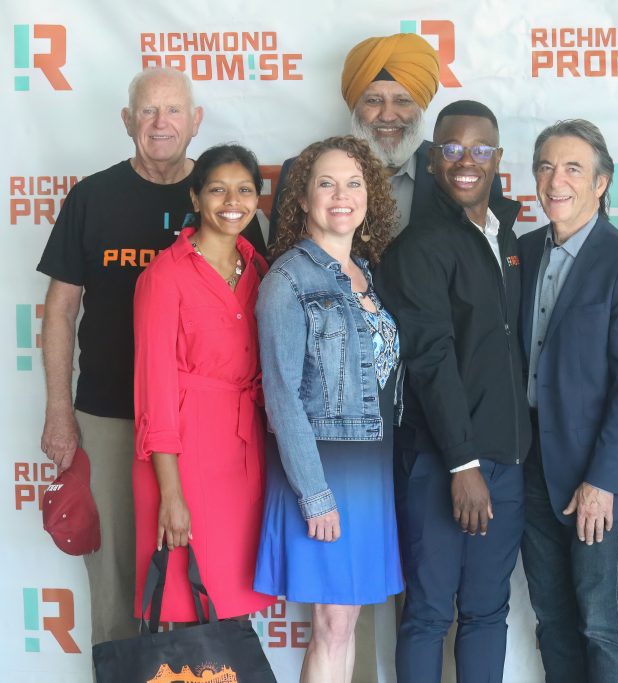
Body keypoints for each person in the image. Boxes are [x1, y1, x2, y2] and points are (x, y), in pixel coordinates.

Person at [35, 67, 265, 647]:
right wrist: (59, 411)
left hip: (208, 433)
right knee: (119, 583)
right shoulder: (92, 197)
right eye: (148, 111)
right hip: (111, 414)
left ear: (196, 120)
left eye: (173, 110)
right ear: (127, 120)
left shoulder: (226, 201)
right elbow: (60, 311)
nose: (161, 123)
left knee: (211, 583)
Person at [375, 100, 530, 683]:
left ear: (498, 158)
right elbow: (430, 359)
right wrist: (462, 465)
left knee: (488, 612)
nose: (467, 161)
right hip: (443, 461)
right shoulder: (420, 246)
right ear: (433, 160)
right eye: (453, 149)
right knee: (429, 613)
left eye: (480, 149)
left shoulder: (505, 237)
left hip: (507, 459)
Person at [254, 136, 403, 683]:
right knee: (333, 624)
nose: (342, 196)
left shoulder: (366, 271)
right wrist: (315, 495)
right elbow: (282, 399)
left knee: (347, 619)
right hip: (321, 469)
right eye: (326, 183)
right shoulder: (287, 280)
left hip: (369, 467)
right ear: (302, 198)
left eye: (354, 183)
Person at [518, 119, 618, 683]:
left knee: (601, 623)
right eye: (546, 167)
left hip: (595, 472)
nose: (557, 181)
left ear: (601, 183)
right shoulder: (522, 252)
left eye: (573, 169)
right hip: (530, 463)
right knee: (552, 618)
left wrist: (601, 481)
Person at [132, 144, 275, 622]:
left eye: (244, 190)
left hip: (244, 451)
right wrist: (171, 494)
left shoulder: (260, 270)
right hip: (183, 455)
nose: (232, 202)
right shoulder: (164, 276)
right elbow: (154, 391)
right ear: (195, 197)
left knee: (234, 604)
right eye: (217, 190)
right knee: (185, 605)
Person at [268, 32, 502, 242]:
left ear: (421, 107)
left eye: (402, 101)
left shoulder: (464, 170)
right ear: (354, 106)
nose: (388, 115)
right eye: (373, 100)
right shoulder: (301, 171)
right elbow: (282, 257)